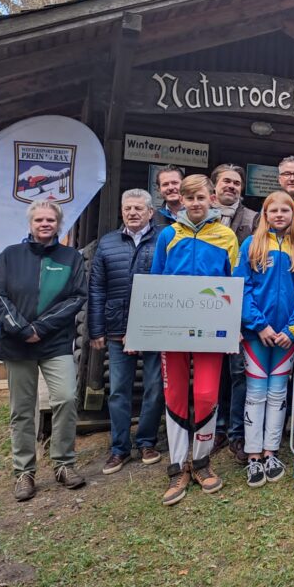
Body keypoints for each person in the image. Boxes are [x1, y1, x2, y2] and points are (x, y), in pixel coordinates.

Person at [0, 200, 87, 502]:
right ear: (30, 224)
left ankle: (63, 464)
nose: (45, 224)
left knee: (66, 398)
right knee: (22, 410)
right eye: (39, 219)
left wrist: (40, 328)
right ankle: (24, 472)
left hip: (54, 343)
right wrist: (21, 329)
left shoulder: (71, 257)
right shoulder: (10, 255)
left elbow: (76, 298)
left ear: (59, 224)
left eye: (51, 220)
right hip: (16, 344)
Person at [151, 174, 240, 506]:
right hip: (172, 328)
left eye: (202, 197)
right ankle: (178, 467)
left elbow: (236, 282)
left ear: (212, 198)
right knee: (174, 393)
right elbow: (157, 282)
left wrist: (235, 324)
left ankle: (201, 462)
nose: (196, 203)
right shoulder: (168, 235)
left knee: (204, 394)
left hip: (212, 328)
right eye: (190, 199)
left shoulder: (226, 236)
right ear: (182, 201)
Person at [234, 191, 294, 488]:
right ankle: (253, 455)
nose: (279, 215)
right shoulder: (251, 245)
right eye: (273, 210)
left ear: (293, 215)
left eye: (285, 210)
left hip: (286, 337)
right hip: (258, 334)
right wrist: (260, 325)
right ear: (264, 215)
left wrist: (293, 329)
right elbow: (243, 287)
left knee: (278, 392)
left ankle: (271, 452)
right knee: (255, 391)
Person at [89, 189, 164, 475]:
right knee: (118, 390)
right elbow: (97, 288)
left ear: (150, 212)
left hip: (155, 329)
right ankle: (119, 448)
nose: (132, 213)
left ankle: (146, 441)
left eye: (138, 208)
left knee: (154, 389)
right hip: (116, 328)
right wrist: (96, 329)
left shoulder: (164, 239)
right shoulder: (107, 243)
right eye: (127, 208)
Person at [209, 163, 257, 463]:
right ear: (214, 186)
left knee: (239, 372)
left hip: (238, 304)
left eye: (237, 183)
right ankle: (214, 429)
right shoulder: (200, 218)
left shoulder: (253, 219)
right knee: (212, 372)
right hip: (207, 304)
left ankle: (237, 434)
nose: (232, 186)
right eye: (226, 181)